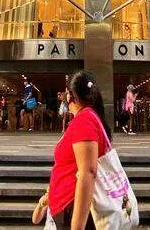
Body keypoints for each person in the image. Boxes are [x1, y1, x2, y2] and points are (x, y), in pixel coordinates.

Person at [42, 70, 110, 229]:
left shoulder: (84, 120)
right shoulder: (87, 117)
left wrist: (77, 226)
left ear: (70, 95)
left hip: (71, 207)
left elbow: (88, 172)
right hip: (67, 205)